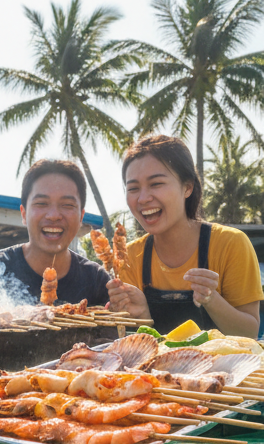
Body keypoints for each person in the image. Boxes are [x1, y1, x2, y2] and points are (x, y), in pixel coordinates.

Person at [105, 134, 263, 337]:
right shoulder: (128, 257)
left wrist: (211, 299)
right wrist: (143, 316)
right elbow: (140, 347)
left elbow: (249, 333)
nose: (143, 198)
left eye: (156, 184)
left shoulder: (230, 244)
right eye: (133, 188)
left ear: (187, 187)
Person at [0, 159, 112, 305]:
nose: (53, 215)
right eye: (41, 203)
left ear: (81, 217)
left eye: (67, 205)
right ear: (23, 214)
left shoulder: (98, 282)